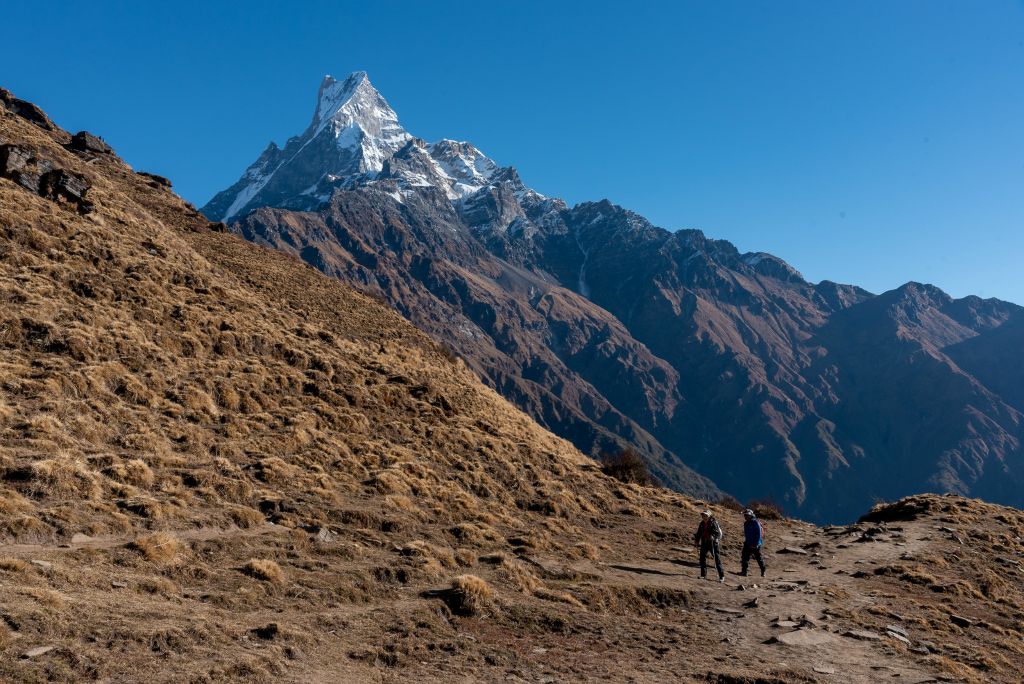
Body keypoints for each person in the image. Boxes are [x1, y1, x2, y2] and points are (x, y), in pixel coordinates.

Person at [693, 510, 725, 582]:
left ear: (709, 516)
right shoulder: (702, 523)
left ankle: (721, 576)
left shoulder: (713, 522)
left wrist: (712, 536)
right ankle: (703, 575)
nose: (704, 517)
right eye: (703, 515)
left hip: (713, 543)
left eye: (705, 515)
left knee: (716, 559)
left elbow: (716, 532)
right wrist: (697, 541)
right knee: (702, 558)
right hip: (704, 542)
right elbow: (699, 533)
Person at [740, 509, 767, 577]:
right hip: (748, 543)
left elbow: (759, 534)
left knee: (758, 558)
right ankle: (744, 571)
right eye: (745, 515)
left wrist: (756, 544)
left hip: (756, 544)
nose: (745, 516)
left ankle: (763, 571)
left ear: (750, 515)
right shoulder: (746, 523)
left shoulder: (756, 523)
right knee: (744, 557)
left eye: (746, 515)